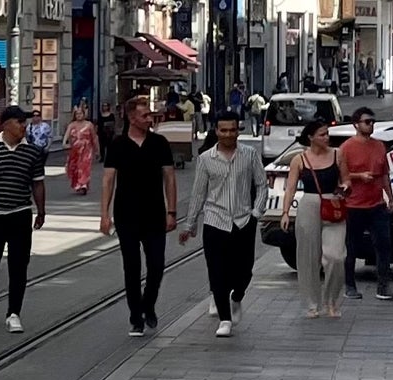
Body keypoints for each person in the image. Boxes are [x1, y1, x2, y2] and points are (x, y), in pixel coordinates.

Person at [179, 111, 265, 336]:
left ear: (238, 130)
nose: (228, 134)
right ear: (216, 131)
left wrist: (256, 212)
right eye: (223, 130)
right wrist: (189, 224)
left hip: (243, 220)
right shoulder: (206, 158)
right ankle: (224, 320)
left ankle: (237, 297)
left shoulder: (249, 154)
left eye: (232, 130)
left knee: (244, 270)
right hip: (215, 220)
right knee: (217, 271)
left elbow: (261, 184)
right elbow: (198, 193)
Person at [100, 94, 177, 336]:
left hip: (154, 213)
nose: (149, 119)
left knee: (157, 265)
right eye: (144, 115)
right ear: (132, 118)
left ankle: (148, 303)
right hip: (126, 215)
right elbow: (108, 180)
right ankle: (136, 316)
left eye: (149, 115)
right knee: (131, 267)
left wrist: (172, 211)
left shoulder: (159, 143)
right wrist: (104, 214)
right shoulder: (118, 144)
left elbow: (169, 177)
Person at [0, 102, 48, 332]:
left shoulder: (33, 152)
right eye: (19, 122)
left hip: (20, 215)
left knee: (19, 266)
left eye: (25, 122)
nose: (24, 126)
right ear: (5, 125)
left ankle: (14, 313)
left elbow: (38, 184)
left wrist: (41, 210)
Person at [279, 116, 346, 317]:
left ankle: (332, 301)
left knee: (336, 256)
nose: (326, 137)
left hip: (333, 205)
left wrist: (345, 187)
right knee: (308, 258)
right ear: (311, 137)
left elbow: (347, 178)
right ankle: (311, 304)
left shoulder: (338, 154)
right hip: (308, 205)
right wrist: (285, 212)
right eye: (322, 134)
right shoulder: (299, 159)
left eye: (327, 134)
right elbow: (290, 188)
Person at [340, 107, 393, 302]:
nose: (371, 125)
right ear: (356, 124)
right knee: (351, 247)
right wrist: (359, 176)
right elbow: (341, 175)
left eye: (373, 121)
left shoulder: (379, 146)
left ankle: (383, 286)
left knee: (384, 245)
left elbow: (384, 175)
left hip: (377, 205)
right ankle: (350, 285)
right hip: (353, 205)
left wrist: (390, 198)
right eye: (367, 122)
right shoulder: (346, 148)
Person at [63, 104, 99, 194]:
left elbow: (94, 137)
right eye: (77, 114)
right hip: (75, 150)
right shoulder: (72, 124)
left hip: (86, 149)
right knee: (75, 167)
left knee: (84, 166)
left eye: (80, 114)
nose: (79, 115)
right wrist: (64, 143)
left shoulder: (89, 124)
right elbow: (67, 135)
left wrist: (97, 150)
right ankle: (78, 184)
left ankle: (83, 185)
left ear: (84, 114)